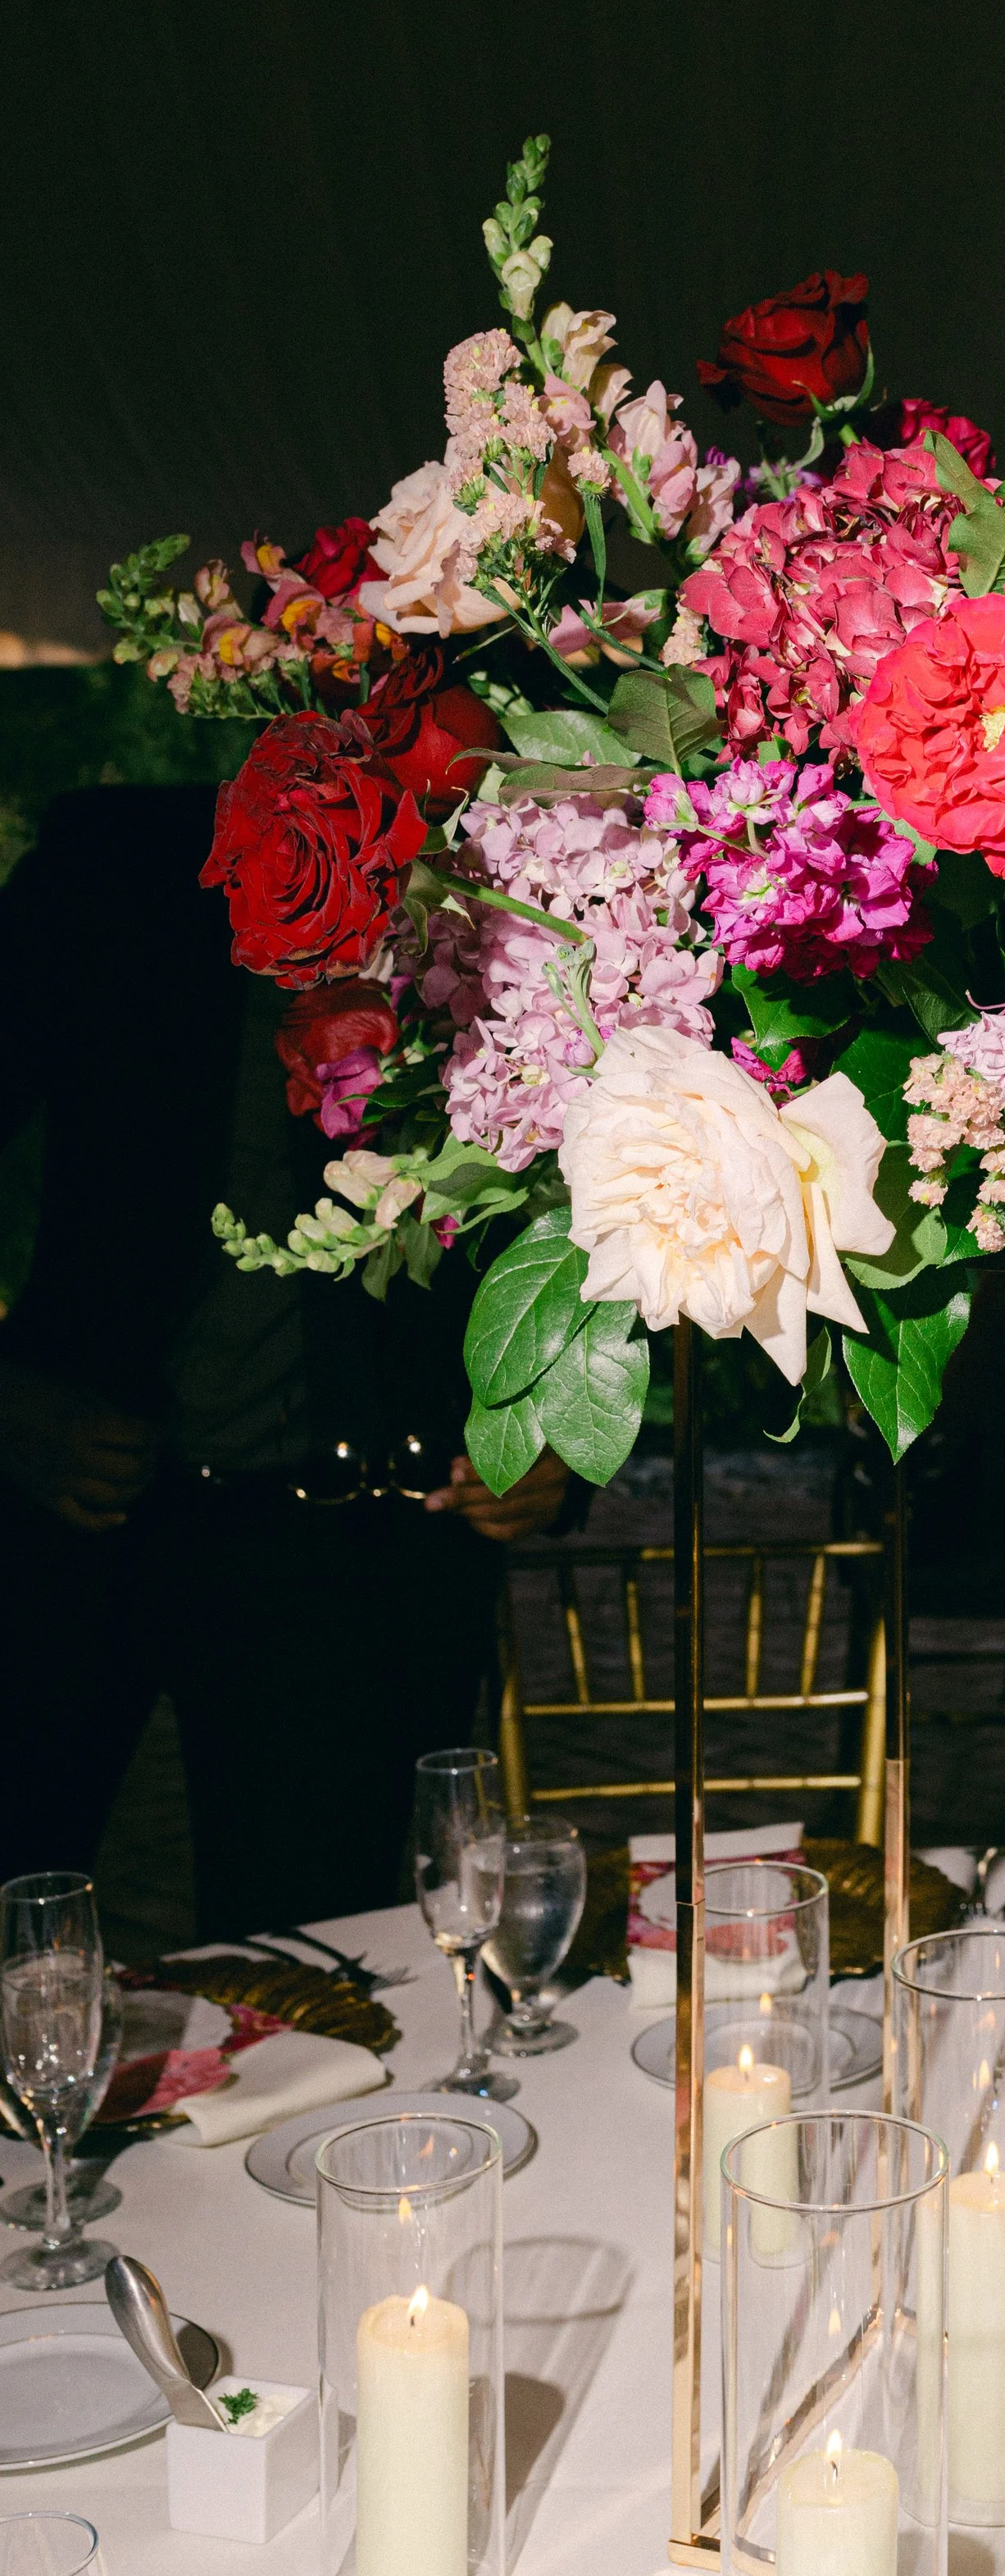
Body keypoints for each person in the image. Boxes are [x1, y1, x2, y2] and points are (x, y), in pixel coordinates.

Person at [0, 784, 570, 1940]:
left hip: (357, 1546)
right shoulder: (111, 875)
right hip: (73, 1488)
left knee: (319, 1980)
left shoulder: (515, 884)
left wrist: (550, 1425)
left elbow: (589, 1193)